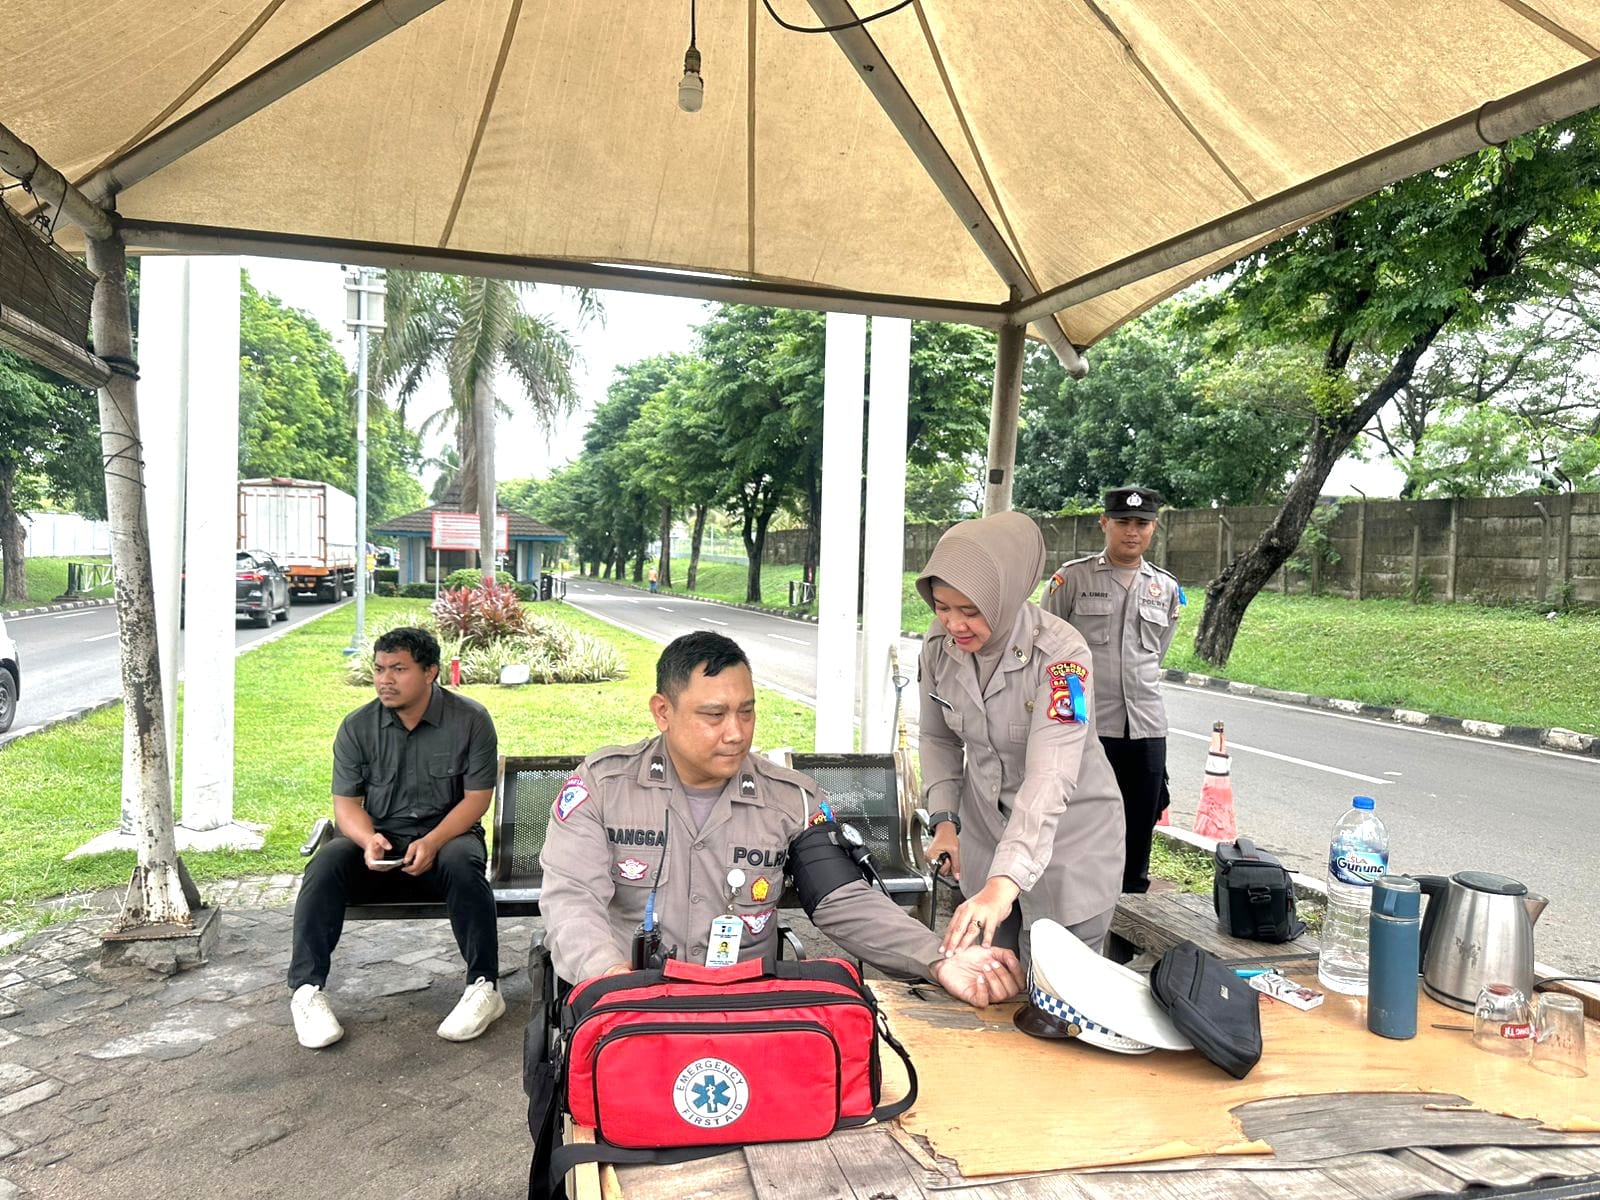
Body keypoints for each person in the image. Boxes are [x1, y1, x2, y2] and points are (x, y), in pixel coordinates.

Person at [539, 631, 1025, 1005]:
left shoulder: (790, 800)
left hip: (745, 1013)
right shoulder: (603, 787)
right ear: (662, 712)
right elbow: (572, 900)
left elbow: (843, 900)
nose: (736, 733)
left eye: (746, 712)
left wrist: (939, 959)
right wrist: (610, 980)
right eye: (714, 715)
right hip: (630, 1010)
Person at [917, 511, 1125, 957]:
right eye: (942, 607)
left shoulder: (1063, 658)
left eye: (970, 611)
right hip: (984, 842)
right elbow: (938, 739)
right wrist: (945, 822)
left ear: (1008, 595)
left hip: (1070, 849)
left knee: (1056, 991)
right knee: (986, 980)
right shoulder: (939, 648)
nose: (954, 625)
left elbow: (1051, 776)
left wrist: (1004, 883)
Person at [287, 626, 505, 1049]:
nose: (385, 679)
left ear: (430, 672)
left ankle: (484, 987)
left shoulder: (470, 720)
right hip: (381, 846)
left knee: (463, 862)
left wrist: (434, 841)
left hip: (448, 839)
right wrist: (367, 839)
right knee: (326, 863)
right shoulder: (357, 727)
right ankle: (306, 991)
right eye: (379, 669)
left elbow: (477, 799)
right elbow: (346, 805)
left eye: (398, 669)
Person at [1042, 487, 1183, 894]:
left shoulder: (1165, 587)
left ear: (1154, 528)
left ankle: (1131, 908)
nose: (1132, 531)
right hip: (1087, 725)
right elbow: (1048, 649)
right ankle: (1076, 906)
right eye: (1123, 521)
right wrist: (1072, 714)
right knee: (1079, 823)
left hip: (1146, 726)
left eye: (1142, 523)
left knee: (1140, 824)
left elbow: (1157, 653)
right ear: (1105, 523)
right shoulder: (1072, 578)